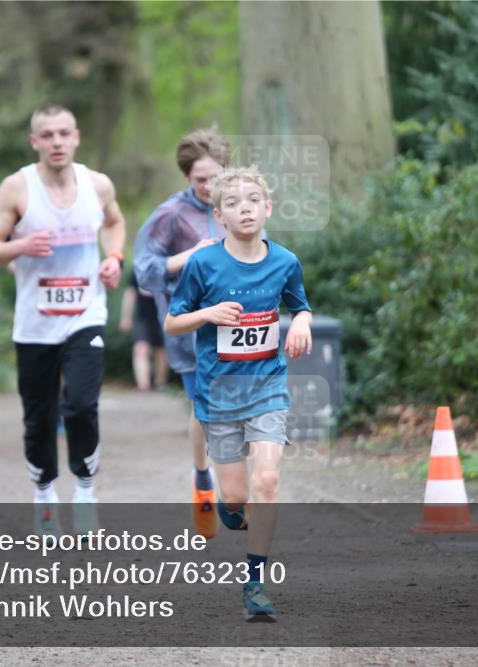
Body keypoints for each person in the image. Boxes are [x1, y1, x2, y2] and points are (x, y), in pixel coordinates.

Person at [164, 165, 312, 622]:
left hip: (267, 386)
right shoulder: (204, 263)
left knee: (266, 481)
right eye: (233, 203)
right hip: (219, 394)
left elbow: (299, 303)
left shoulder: (285, 261)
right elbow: (173, 321)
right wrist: (208, 313)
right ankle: (230, 509)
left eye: (253, 200)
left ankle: (255, 582)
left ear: (267, 208)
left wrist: (302, 322)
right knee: (236, 496)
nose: (244, 208)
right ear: (219, 216)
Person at [0, 105, 125, 538]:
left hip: (85, 314)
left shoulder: (97, 184)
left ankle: (84, 492)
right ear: (34, 142)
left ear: (76, 137)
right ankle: (44, 494)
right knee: (38, 417)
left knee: (81, 405)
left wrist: (114, 258)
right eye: (47, 135)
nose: (56, 142)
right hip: (35, 323)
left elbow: (115, 224)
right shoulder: (16, 188)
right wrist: (20, 247)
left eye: (63, 133)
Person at [133, 126, 230, 538]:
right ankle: (203, 477)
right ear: (187, 177)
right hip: (189, 329)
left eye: (215, 177)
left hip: (237, 324)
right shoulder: (170, 214)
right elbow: (143, 270)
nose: (208, 187)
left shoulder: (240, 204)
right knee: (204, 408)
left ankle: (238, 486)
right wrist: (186, 258)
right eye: (200, 180)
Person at [119, 270, 168, 392]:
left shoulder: (167, 267)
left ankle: (160, 383)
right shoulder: (137, 270)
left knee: (161, 352)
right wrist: (126, 318)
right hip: (143, 318)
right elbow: (130, 294)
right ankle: (143, 385)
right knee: (140, 349)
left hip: (164, 317)